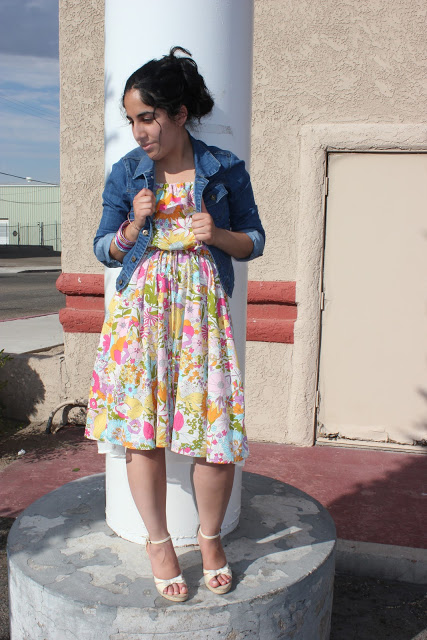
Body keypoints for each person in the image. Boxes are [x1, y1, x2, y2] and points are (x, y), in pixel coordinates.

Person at [85, 46, 265, 602]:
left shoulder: (224, 169)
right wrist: (133, 226)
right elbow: (104, 249)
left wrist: (219, 235)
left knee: (214, 437)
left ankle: (210, 540)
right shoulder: (127, 173)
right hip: (142, 315)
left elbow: (254, 240)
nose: (139, 131)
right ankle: (160, 543)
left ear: (180, 113)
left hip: (200, 317)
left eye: (148, 117)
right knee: (144, 435)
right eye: (132, 119)